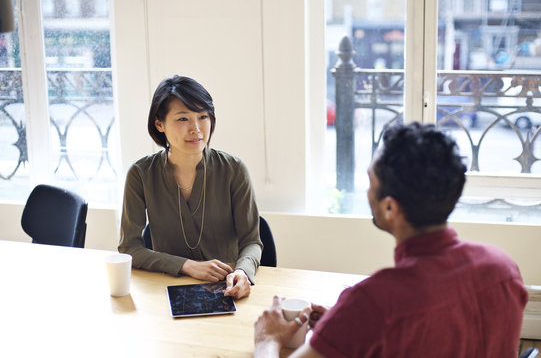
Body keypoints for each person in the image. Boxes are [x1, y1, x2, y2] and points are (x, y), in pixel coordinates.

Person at [254, 123, 528, 357]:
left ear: (389, 208)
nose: (366, 191)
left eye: (370, 181)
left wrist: (268, 339)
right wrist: (346, 328)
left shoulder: (372, 302)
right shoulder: (502, 268)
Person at [119, 75, 262, 299]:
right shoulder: (141, 174)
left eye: (203, 117)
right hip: (166, 289)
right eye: (183, 119)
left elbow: (252, 241)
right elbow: (129, 248)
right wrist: (187, 265)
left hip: (226, 289)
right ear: (159, 124)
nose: (196, 129)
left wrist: (243, 272)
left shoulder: (233, 169)